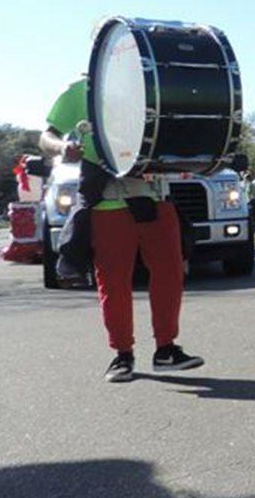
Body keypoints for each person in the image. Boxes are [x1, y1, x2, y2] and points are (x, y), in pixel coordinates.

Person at [40, 77, 204, 383]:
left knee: (170, 272)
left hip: (153, 194)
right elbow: (46, 136)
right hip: (108, 202)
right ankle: (122, 355)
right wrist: (63, 146)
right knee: (113, 282)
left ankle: (166, 350)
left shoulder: (151, 87)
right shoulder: (79, 91)